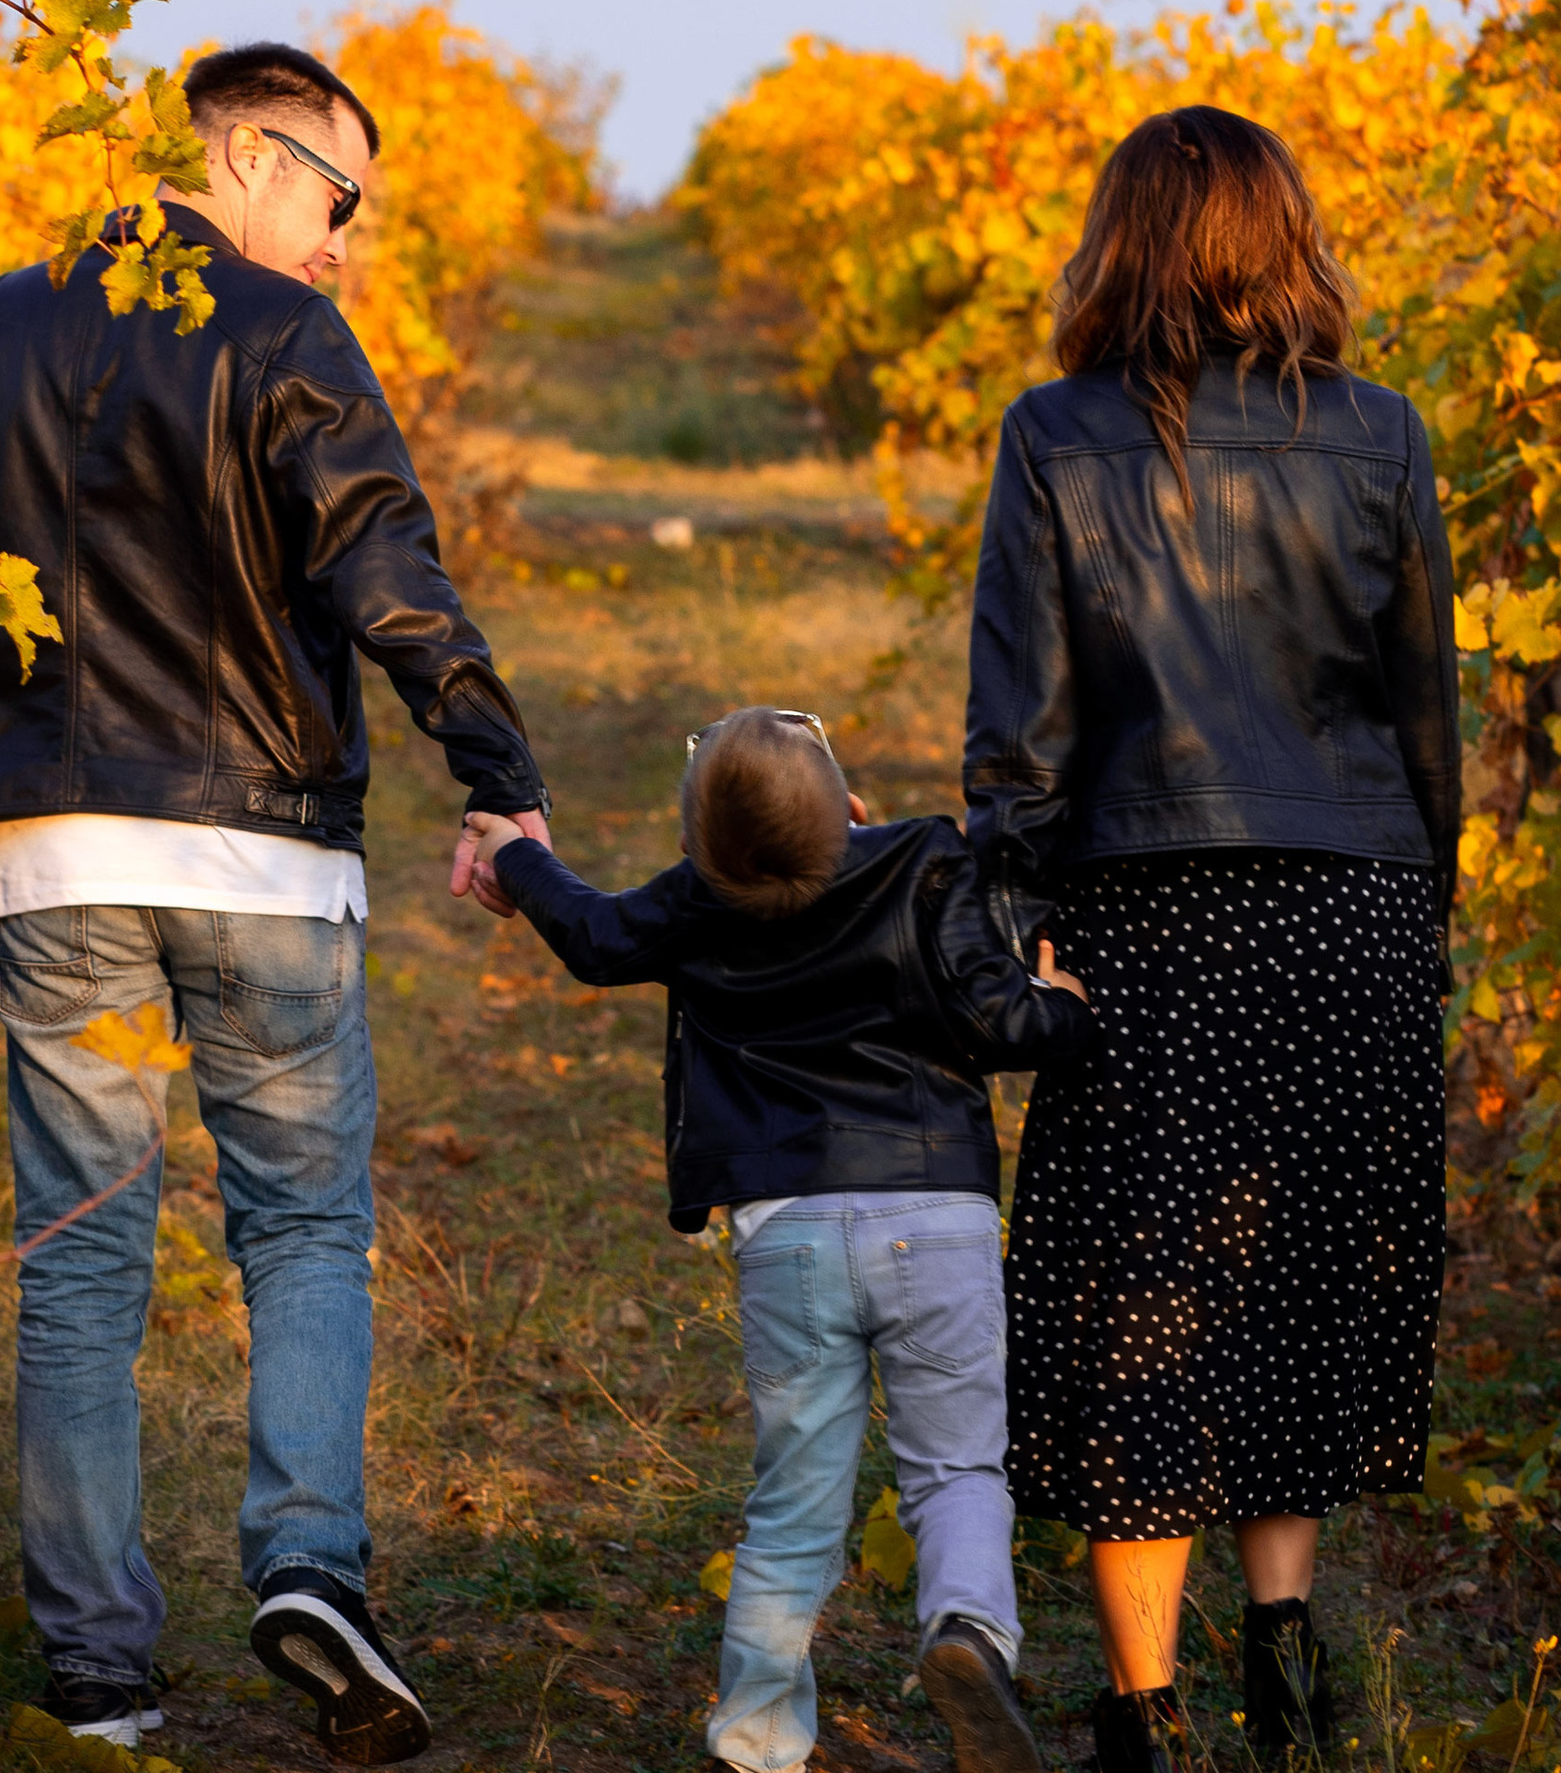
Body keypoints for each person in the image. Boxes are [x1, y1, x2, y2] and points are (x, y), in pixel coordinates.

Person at [0, 41, 553, 1763]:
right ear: (248, 155)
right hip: (259, 851)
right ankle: (310, 1573)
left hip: (43, 851)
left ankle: (97, 1678)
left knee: (80, 1261)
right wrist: (494, 766)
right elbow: (385, 560)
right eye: (339, 201)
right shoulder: (284, 335)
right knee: (302, 1225)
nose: (343, 247)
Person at [961, 105, 1460, 1771]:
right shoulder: (1381, 435)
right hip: (1352, 905)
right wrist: (1421, 915)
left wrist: (1014, 922)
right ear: (1285, 238)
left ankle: (1146, 1714)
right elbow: (1422, 718)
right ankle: (1290, 1657)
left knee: (1140, 1303)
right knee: (1304, 1269)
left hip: (1150, 915)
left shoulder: (1056, 436)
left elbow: (1020, 730)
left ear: (1120, 245)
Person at [464, 707, 1097, 1773]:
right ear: (849, 807)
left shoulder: (691, 900)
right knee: (955, 1468)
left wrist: (516, 851)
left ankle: (755, 1739)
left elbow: (593, 932)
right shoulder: (922, 862)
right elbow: (1004, 1021)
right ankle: (968, 1632)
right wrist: (1067, 1006)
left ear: (695, 843)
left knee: (795, 1501)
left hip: (788, 1230)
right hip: (934, 1214)